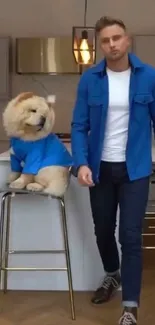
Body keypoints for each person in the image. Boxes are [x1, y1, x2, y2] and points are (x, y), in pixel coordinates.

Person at [71, 16, 155, 325]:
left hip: (135, 170)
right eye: (105, 40)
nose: (112, 44)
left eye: (117, 38)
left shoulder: (149, 77)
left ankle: (129, 308)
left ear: (128, 39)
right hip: (100, 169)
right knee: (103, 230)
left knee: (130, 236)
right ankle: (111, 274)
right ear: (99, 45)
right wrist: (80, 162)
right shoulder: (90, 79)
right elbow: (79, 126)